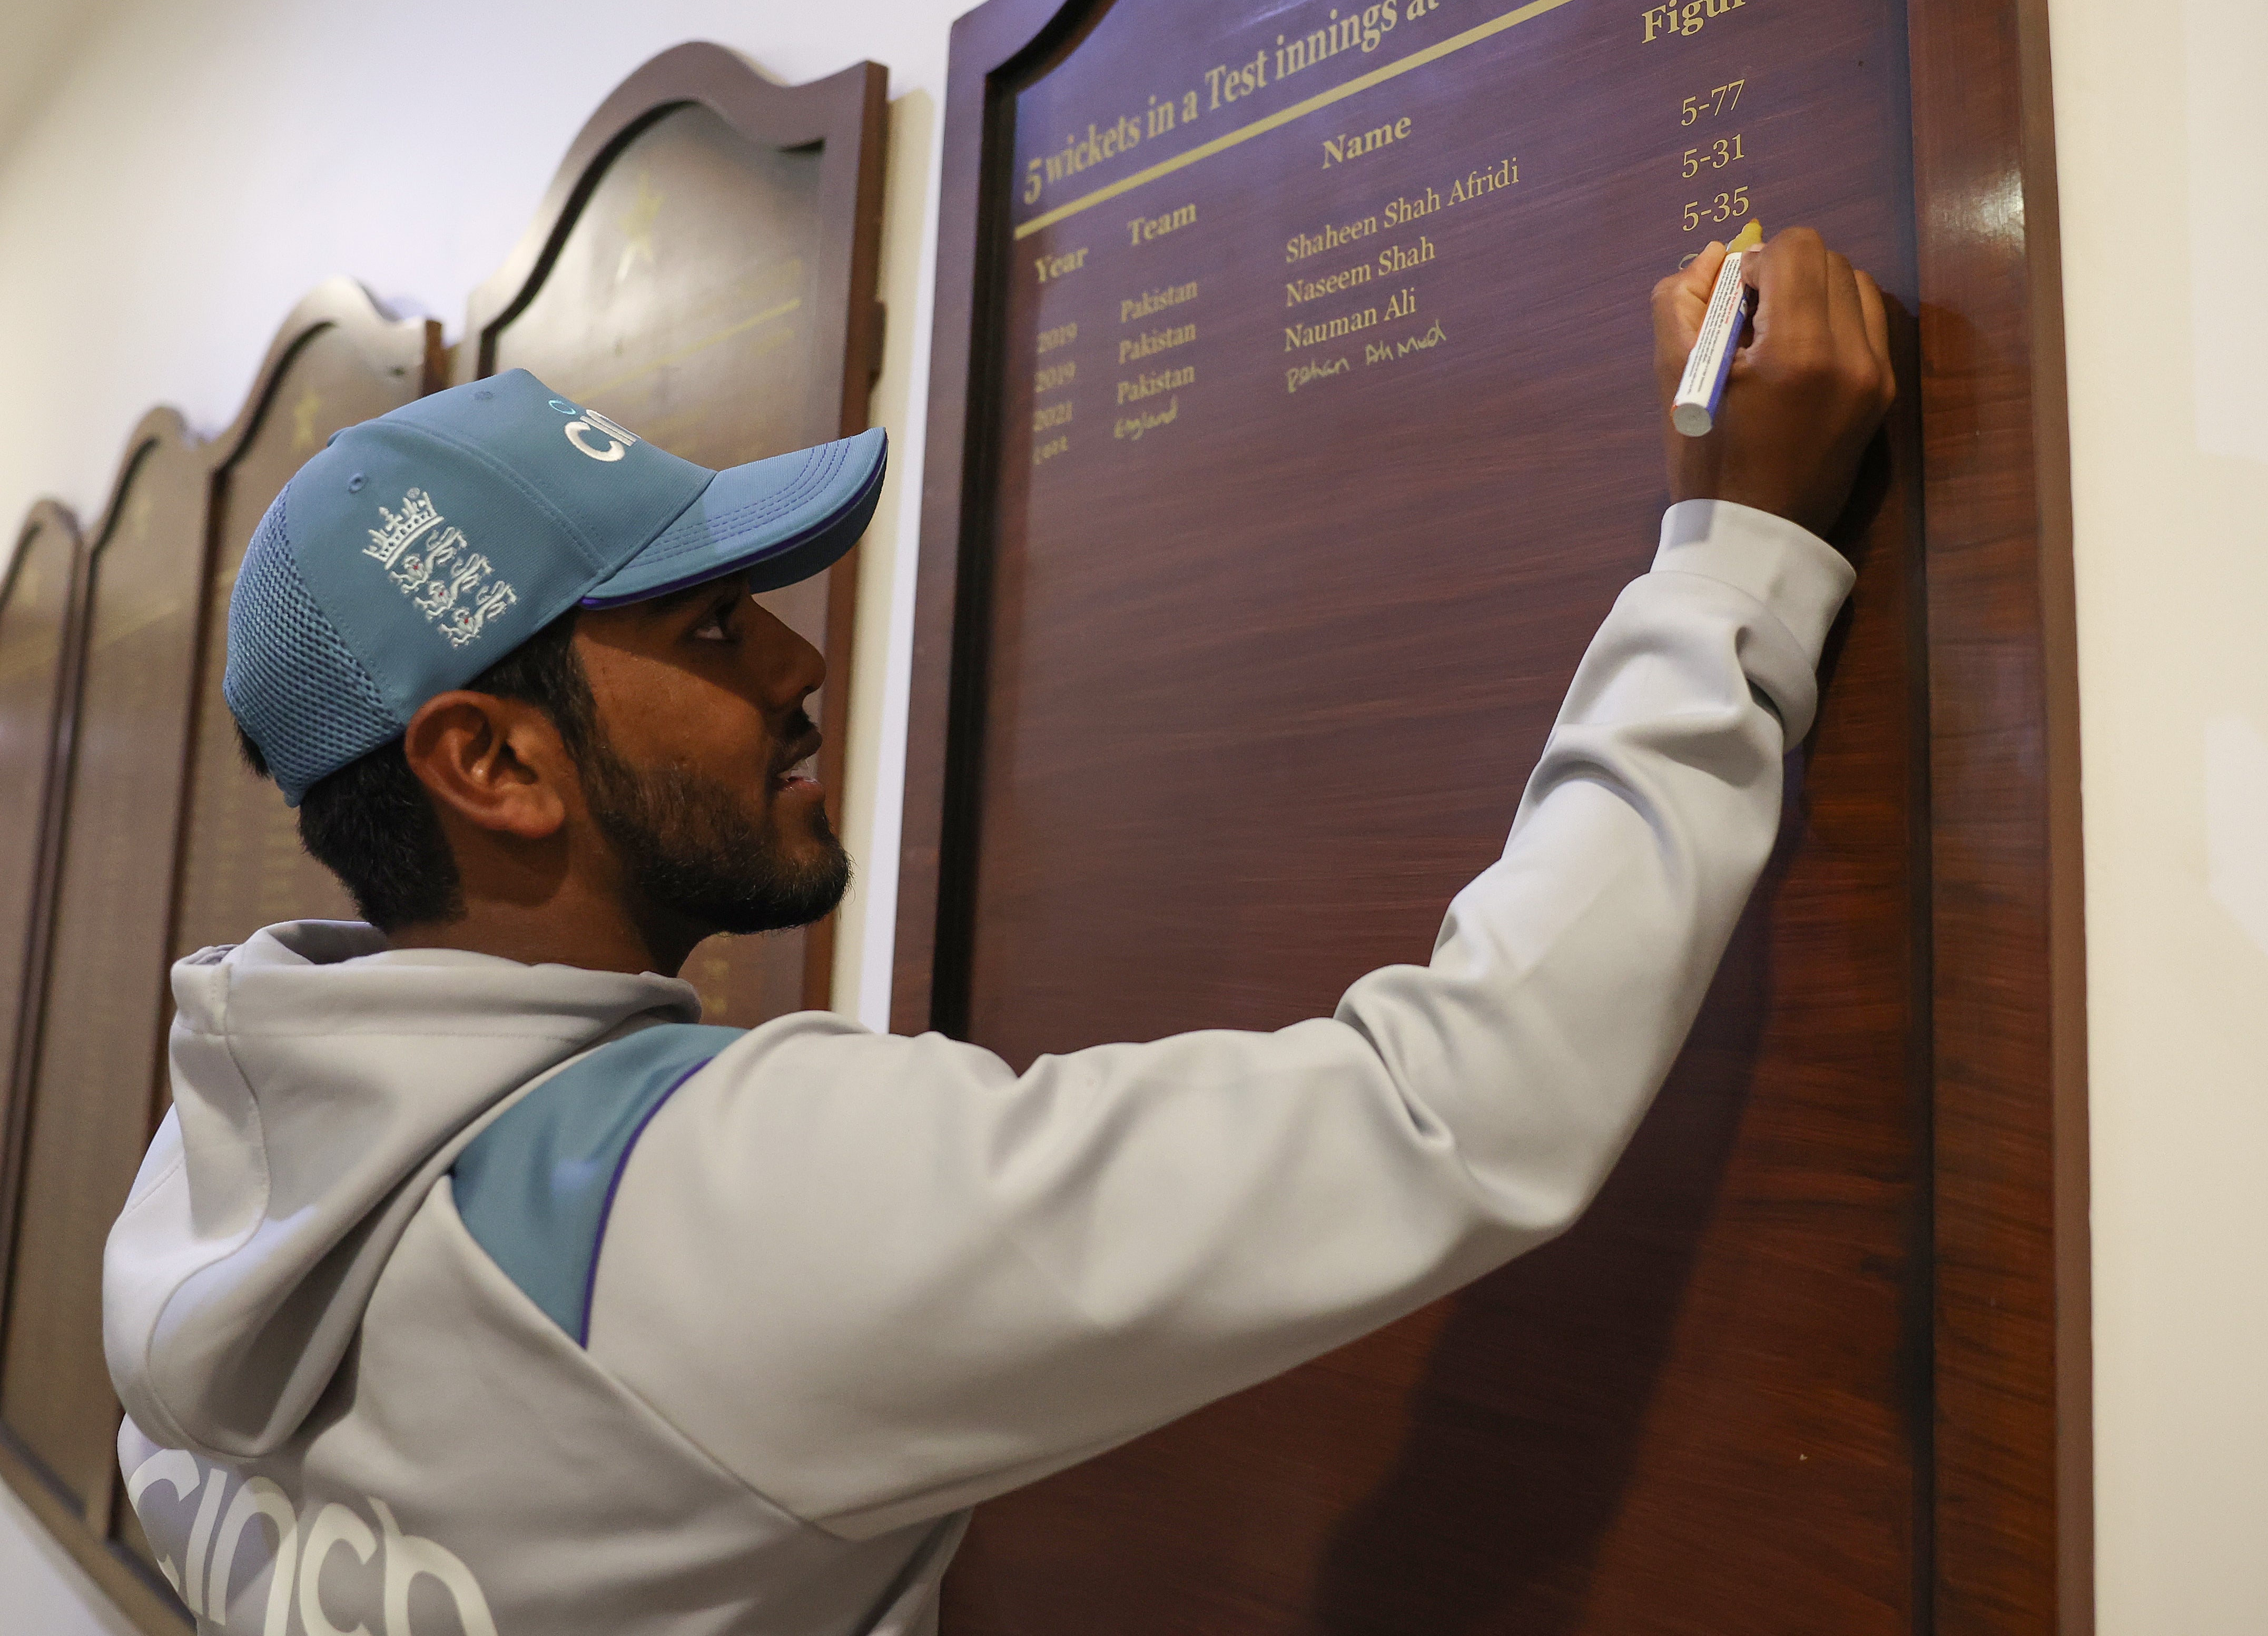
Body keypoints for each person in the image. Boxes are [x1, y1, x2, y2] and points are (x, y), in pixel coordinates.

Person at [102, 228, 1892, 1636]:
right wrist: (1732, 564)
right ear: (489, 761)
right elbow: (1451, 1111)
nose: (802, 666)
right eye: (717, 628)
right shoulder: (695, 1204)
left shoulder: (210, 1186)